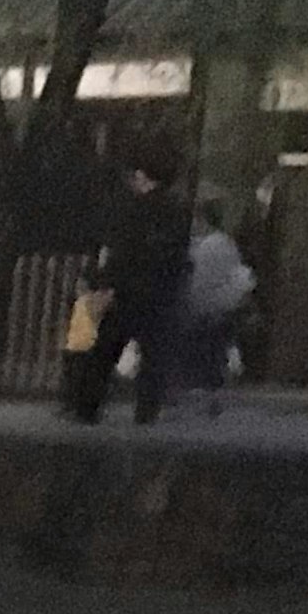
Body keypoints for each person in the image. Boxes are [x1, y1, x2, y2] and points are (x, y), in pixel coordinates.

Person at [69, 151, 194, 427]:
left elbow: (121, 252)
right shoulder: (177, 212)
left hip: (128, 292)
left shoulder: (133, 210)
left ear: (141, 175)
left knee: (104, 351)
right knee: (153, 356)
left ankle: (86, 408)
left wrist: (102, 282)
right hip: (160, 293)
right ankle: (146, 411)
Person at [177, 197, 255, 414]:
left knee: (204, 353)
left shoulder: (209, 246)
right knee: (213, 354)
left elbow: (200, 282)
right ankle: (211, 395)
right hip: (223, 308)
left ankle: (203, 395)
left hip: (209, 310)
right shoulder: (225, 243)